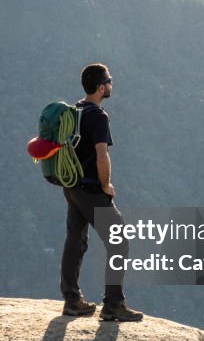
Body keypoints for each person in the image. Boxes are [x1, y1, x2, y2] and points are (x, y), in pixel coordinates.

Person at [58, 63, 143, 322]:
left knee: (75, 241)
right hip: (92, 189)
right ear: (100, 87)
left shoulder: (75, 110)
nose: (111, 84)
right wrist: (106, 185)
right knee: (119, 242)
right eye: (109, 80)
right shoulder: (98, 115)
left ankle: (72, 300)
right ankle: (113, 304)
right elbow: (102, 156)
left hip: (71, 186)